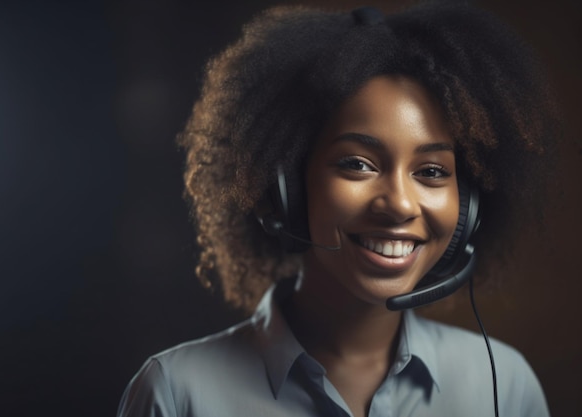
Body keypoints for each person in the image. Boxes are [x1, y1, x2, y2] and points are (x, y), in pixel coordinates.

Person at [118, 3, 558, 417]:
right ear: (286, 188)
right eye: (357, 164)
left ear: (469, 210)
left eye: (431, 171)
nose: (400, 204)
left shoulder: (506, 386)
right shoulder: (176, 393)